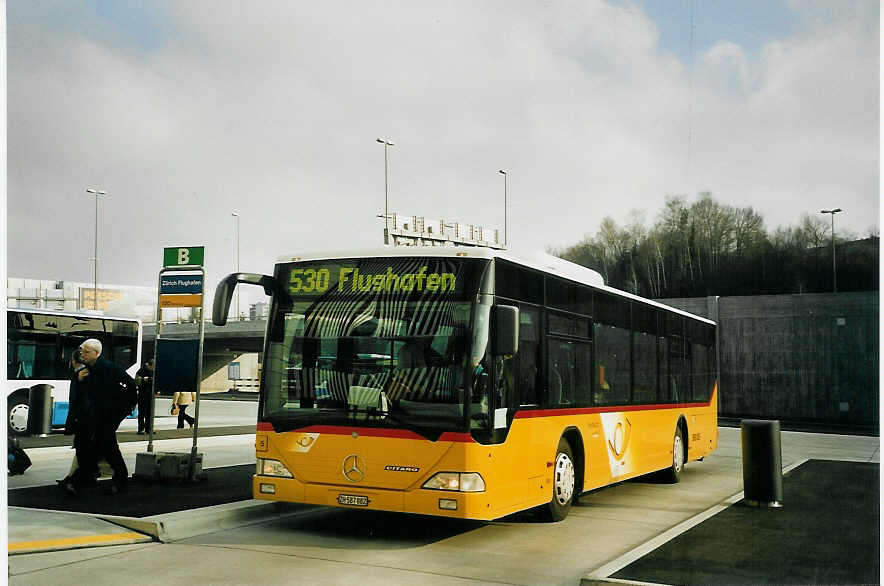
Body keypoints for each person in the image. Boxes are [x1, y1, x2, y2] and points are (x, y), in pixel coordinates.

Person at [66, 339, 136, 495]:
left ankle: (81, 479)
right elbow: (79, 396)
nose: (82, 354)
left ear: (96, 353)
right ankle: (84, 478)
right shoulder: (84, 371)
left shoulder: (110, 368)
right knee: (91, 447)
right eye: (81, 350)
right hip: (89, 418)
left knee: (105, 448)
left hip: (106, 418)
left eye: (86, 351)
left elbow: (131, 386)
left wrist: (121, 412)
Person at [135, 358, 156, 434]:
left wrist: (148, 379)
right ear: (150, 365)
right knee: (142, 412)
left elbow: (155, 380)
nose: (154, 368)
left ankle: (148, 429)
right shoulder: (141, 371)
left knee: (149, 412)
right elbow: (137, 381)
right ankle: (141, 429)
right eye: (153, 366)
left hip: (150, 394)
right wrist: (144, 380)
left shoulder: (153, 372)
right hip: (142, 394)